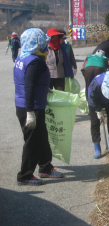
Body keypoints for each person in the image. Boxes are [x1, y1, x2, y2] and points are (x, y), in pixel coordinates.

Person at [14, 28, 64, 186]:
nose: (45, 44)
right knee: (32, 141)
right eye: (42, 42)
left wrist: (44, 89)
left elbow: (27, 82)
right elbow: (28, 86)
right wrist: (30, 112)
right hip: (31, 107)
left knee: (42, 136)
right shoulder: (35, 61)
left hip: (27, 104)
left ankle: (46, 167)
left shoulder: (23, 57)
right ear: (37, 44)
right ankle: (25, 175)